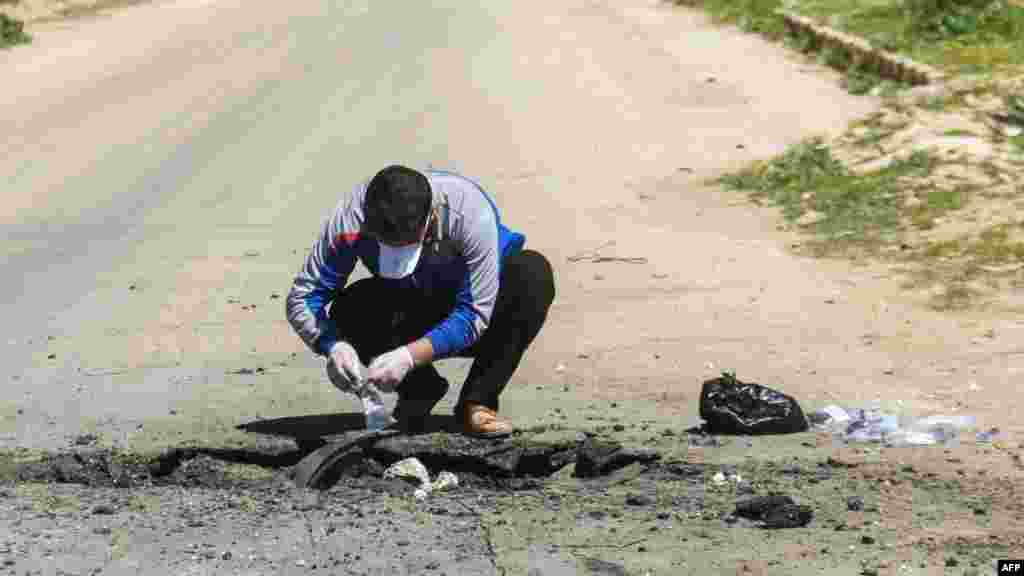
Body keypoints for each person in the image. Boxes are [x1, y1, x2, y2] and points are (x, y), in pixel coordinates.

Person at [285, 165, 556, 438]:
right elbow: (303, 298)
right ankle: (419, 391)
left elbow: (474, 315)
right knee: (349, 308)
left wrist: (408, 356)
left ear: (432, 217)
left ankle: (478, 401)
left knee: (532, 274)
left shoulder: (470, 211)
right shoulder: (350, 220)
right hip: (411, 301)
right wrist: (333, 346)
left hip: (479, 309)